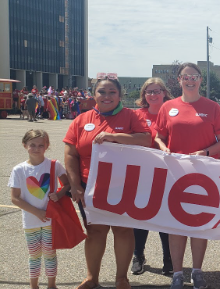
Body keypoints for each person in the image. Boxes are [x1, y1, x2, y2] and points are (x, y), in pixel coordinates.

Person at [63, 73, 152, 289]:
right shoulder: (81, 120)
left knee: (122, 230)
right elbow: (70, 154)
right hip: (90, 187)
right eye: (102, 91)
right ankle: (92, 278)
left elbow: (146, 139)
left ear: (120, 95)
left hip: (124, 185)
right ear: (94, 94)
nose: (107, 96)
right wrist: (75, 185)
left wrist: (115, 137)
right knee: (95, 231)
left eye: (112, 92)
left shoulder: (130, 116)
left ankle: (121, 278)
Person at [154, 62, 220, 289]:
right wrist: (162, 147)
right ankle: (178, 274)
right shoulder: (168, 107)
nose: (190, 80)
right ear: (179, 80)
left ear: (200, 80)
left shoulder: (212, 107)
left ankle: (197, 271)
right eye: (185, 76)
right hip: (175, 173)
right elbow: (158, 136)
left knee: (199, 223)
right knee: (176, 225)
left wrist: (205, 152)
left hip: (203, 173)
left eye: (194, 76)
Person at [9, 129, 71, 289]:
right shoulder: (19, 170)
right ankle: (34, 286)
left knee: (50, 254)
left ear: (47, 146)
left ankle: (52, 285)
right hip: (31, 222)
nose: (36, 148)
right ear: (25, 145)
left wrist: (59, 193)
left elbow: (67, 184)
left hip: (51, 220)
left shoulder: (53, 165)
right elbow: (15, 197)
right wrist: (37, 212)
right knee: (34, 255)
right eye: (32, 145)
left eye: (40, 145)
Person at [131, 77, 174, 276]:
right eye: (149, 91)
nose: (153, 95)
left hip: (168, 172)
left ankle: (169, 258)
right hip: (141, 172)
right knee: (141, 216)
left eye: (157, 91)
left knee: (166, 218)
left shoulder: (174, 112)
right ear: (144, 95)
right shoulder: (136, 114)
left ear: (164, 92)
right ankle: (138, 255)